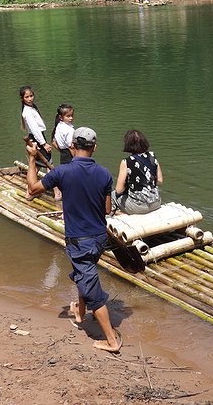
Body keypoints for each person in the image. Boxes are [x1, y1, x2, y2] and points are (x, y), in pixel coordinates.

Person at [25, 127, 122, 353]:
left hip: (80, 239)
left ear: (71, 147)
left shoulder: (62, 172)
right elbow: (107, 209)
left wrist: (31, 159)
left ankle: (111, 341)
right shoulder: (105, 174)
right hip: (99, 237)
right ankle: (79, 312)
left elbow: (32, 188)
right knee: (84, 273)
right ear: (94, 147)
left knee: (91, 288)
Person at [19, 85, 60, 199]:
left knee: (38, 165)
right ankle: (56, 192)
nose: (30, 99)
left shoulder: (31, 108)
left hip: (37, 138)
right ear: (22, 98)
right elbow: (35, 129)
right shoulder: (27, 112)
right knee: (48, 164)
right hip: (38, 139)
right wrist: (44, 143)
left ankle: (30, 192)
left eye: (31, 96)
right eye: (27, 97)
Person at [112, 129, 163, 214]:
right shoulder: (152, 156)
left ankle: (113, 216)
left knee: (113, 195)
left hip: (138, 206)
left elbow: (119, 190)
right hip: (156, 203)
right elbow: (160, 181)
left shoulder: (126, 161)